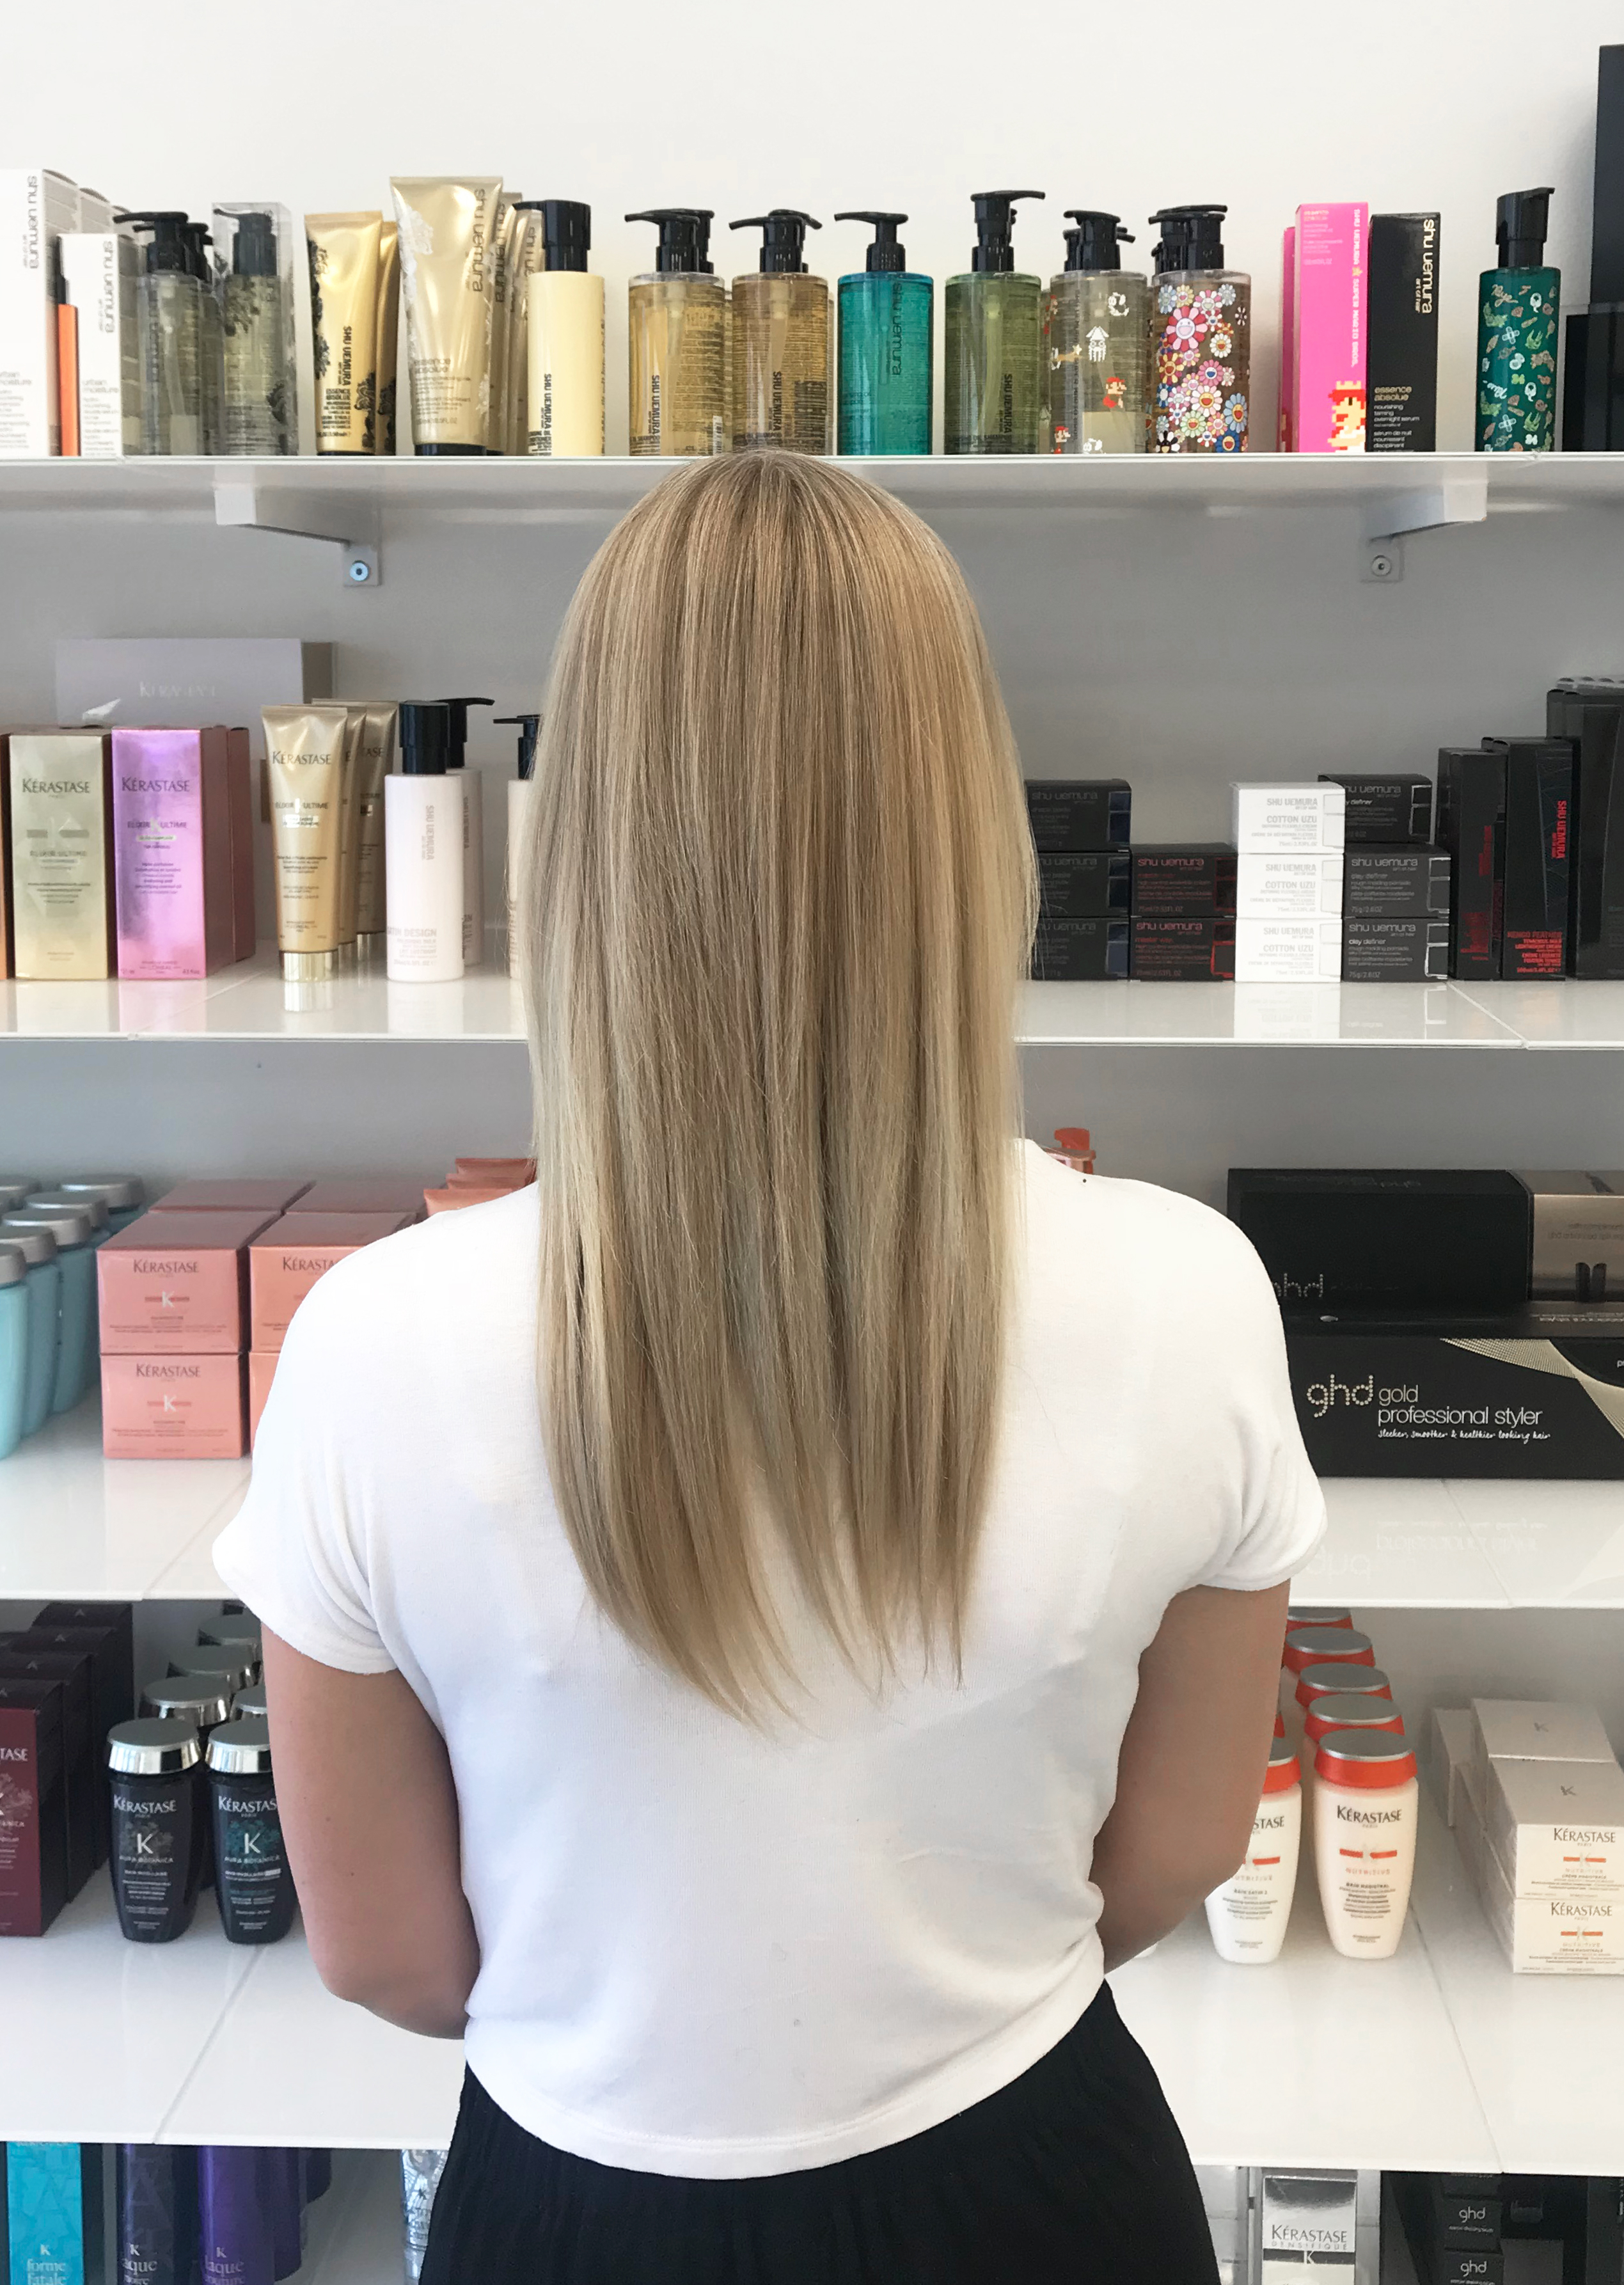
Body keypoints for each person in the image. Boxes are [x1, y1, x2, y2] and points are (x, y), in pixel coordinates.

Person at [216, 451, 1324, 2284]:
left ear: (582, 840)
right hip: (1043, 2184)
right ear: (969, 831)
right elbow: (1177, 1850)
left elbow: (389, 1956)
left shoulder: (371, 1343)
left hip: (571, 2207)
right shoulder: (1188, 1292)